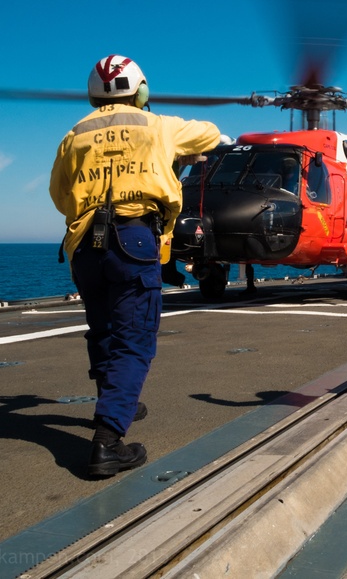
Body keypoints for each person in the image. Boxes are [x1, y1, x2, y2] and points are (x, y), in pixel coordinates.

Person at [50, 54, 222, 476]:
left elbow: (59, 194)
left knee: (103, 329)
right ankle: (108, 443)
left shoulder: (75, 134)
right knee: (134, 339)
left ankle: (119, 400)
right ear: (141, 91)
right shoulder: (159, 127)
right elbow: (212, 134)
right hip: (134, 236)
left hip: (85, 242)